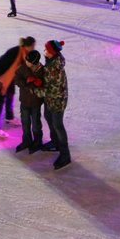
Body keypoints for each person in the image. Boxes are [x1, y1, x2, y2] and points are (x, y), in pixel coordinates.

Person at [0, 37, 34, 137]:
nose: (33, 48)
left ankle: (9, 117)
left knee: (11, 94)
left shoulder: (24, 54)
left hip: (10, 78)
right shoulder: (14, 52)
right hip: (1, 79)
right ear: (28, 46)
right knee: (0, 101)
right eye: (32, 46)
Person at [41, 39, 71, 170]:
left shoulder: (55, 69)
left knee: (58, 125)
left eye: (46, 50)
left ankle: (65, 155)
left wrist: (33, 87)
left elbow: (48, 88)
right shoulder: (51, 62)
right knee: (47, 116)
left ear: (52, 53)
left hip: (57, 100)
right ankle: (55, 142)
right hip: (50, 98)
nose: (44, 51)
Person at [13, 50, 45, 154]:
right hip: (24, 102)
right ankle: (26, 141)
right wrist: (26, 81)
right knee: (25, 123)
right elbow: (16, 80)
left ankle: (37, 141)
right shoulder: (23, 68)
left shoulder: (42, 71)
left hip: (36, 103)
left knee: (36, 124)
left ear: (35, 62)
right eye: (26, 60)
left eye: (29, 61)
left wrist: (39, 83)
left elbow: (45, 86)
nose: (26, 62)